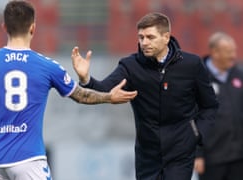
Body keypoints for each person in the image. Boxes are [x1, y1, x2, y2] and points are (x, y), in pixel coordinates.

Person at [0, 1, 138, 180]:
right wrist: (109, 97)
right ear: (33, 28)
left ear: (4, 27)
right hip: (29, 159)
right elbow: (81, 96)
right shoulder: (47, 66)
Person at [71, 12, 219, 180]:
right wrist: (86, 78)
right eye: (141, 37)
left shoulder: (191, 64)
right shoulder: (130, 66)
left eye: (150, 37)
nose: (144, 43)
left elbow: (210, 106)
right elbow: (104, 88)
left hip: (181, 152)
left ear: (166, 37)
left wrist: (197, 135)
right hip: (148, 155)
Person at [194, 32, 243, 180]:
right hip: (211, 159)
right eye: (229, 52)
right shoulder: (198, 78)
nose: (233, 56)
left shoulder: (238, 75)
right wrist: (197, 155)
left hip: (238, 158)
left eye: (234, 51)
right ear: (215, 52)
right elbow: (191, 119)